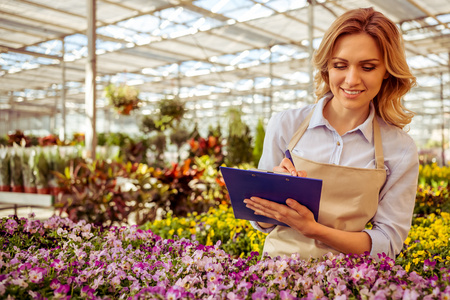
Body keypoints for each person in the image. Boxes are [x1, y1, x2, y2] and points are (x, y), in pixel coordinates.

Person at [244, 7, 419, 260]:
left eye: (368, 67)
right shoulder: (285, 125)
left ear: (387, 73)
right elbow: (260, 222)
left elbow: (388, 242)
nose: (351, 79)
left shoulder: (399, 148)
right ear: (327, 68)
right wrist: (274, 193)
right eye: (340, 65)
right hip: (277, 278)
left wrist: (312, 229)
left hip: (349, 282)